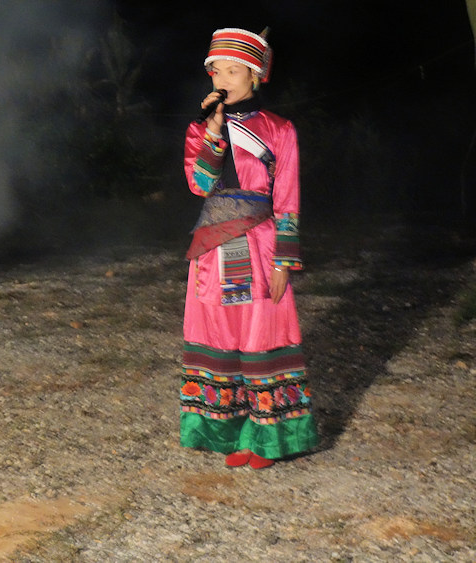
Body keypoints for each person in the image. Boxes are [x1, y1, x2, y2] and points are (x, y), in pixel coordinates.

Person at [180, 27, 318, 469]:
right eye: (216, 70)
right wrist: (213, 131)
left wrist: (284, 260)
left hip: (259, 245)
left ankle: (268, 438)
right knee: (223, 335)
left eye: (232, 71)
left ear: (255, 76)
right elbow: (200, 184)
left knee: (260, 335)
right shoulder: (201, 127)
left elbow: (288, 196)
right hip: (215, 247)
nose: (222, 79)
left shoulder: (279, 129)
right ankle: (233, 434)